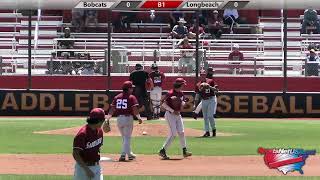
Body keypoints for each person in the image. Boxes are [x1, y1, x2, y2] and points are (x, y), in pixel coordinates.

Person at [105, 81, 143, 161]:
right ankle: (123, 154)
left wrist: (107, 118)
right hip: (128, 118)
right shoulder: (131, 97)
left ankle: (129, 154)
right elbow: (135, 109)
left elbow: (112, 109)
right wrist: (139, 118)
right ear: (128, 89)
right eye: (131, 88)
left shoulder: (117, 97)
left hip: (119, 119)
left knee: (124, 138)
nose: (132, 89)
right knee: (127, 138)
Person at [159, 78, 192, 160]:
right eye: (183, 84)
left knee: (182, 132)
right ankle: (163, 150)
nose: (184, 86)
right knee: (173, 134)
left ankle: (184, 151)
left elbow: (182, 102)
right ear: (179, 84)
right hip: (170, 115)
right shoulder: (170, 93)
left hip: (178, 115)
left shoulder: (181, 93)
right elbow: (163, 104)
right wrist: (172, 111)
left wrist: (183, 104)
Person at [73, 108, 110, 180]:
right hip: (82, 169)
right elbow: (75, 154)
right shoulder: (82, 134)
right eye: (103, 120)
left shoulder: (99, 131)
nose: (103, 122)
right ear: (99, 121)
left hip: (97, 167)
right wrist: (86, 169)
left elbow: (97, 148)